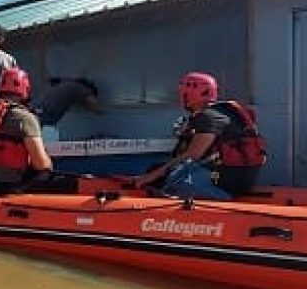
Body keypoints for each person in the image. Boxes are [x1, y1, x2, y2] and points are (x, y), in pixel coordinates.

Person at [132, 72, 266, 200]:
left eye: (185, 92)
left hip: (230, 178)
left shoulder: (209, 116)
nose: (182, 96)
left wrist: (152, 176)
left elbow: (193, 155)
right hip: (240, 176)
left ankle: (211, 203)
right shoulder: (219, 112)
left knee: (175, 179)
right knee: (160, 169)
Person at [0, 67, 76, 195]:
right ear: (25, 90)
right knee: (54, 177)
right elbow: (41, 164)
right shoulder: (26, 118)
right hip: (8, 184)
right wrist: (49, 165)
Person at [32, 77, 107, 141]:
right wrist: (108, 110)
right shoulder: (82, 89)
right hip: (44, 113)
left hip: (35, 110)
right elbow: (95, 106)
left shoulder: (65, 85)